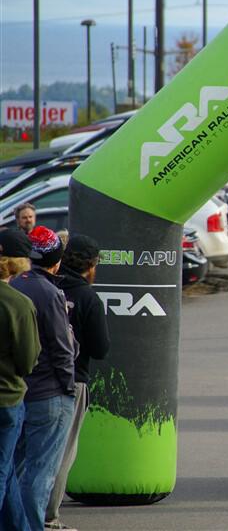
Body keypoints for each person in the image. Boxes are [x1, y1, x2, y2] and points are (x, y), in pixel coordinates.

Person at [10, 226, 76, 531]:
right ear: (57, 260)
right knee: (41, 472)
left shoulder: (18, 285)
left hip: (22, 391)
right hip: (50, 392)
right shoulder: (50, 293)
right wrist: (68, 387)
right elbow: (63, 349)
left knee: (15, 468)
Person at [45, 234, 110, 531]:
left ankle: (22, 513)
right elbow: (100, 348)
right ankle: (48, 518)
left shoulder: (48, 286)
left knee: (33, 451)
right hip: (74, 380)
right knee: (62, 453)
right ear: (92, 265)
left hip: (36, 378)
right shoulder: (87, 297)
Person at [0, 229, 40, 531]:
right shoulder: (18, 304)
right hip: (7, 398)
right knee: (2, 471)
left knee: (9, 470)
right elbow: (28, 361)